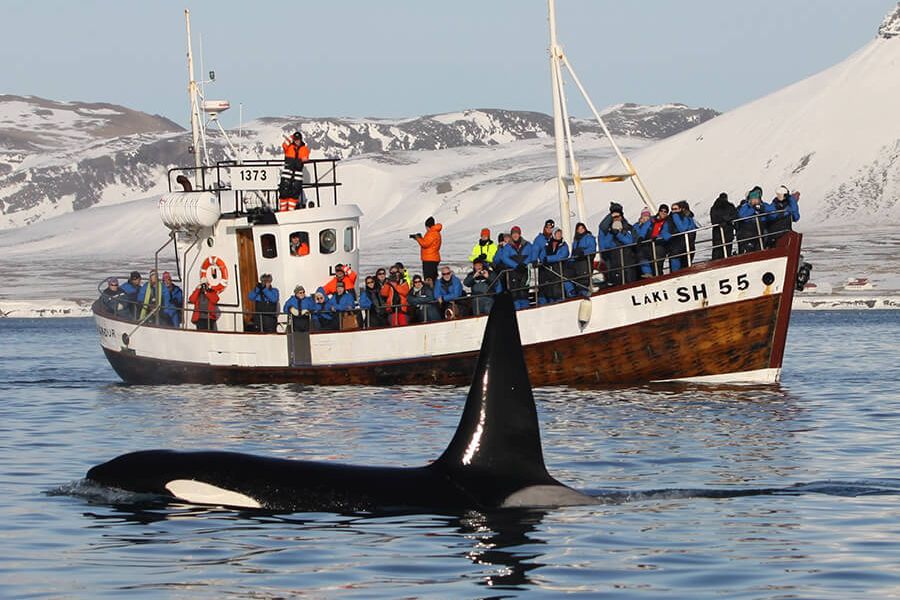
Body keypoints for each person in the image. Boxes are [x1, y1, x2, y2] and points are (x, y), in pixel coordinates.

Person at [598, 203, 636, 286]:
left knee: (629, 277)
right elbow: (605, 244)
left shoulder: (626, 229)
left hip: (627, 258)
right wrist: (612, 233)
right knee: (617, 278)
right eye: (614, 217)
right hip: (613, 259)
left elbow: (630, 241)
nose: (616, 219)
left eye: (618, 217)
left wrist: (619, 234)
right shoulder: (606, 230)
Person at [535, 228, 570, 303]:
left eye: (560, 233)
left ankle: (560, 300)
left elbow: (562, 255)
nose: (559, 235)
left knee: (558, 289)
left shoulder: (563, 245)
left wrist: (548, 259)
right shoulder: (548, 244)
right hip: (549, 271)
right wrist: (543, 259)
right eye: (557, 233)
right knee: (549, 289)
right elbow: (542, 254)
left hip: (559, 268)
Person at [736, 186, 773, 254]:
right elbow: (741, 215)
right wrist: (753, 209)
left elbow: (773, 213)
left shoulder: (764, 205)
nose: (755, 200)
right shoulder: (746, 206)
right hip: (748, 234)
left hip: (761, 233)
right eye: (753, 199)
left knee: (761, 249)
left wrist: (763, 208)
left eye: (756, 198)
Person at [279, 131, 310, 211]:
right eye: (295, 139)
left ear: (301, 139)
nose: (297, 141)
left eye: (298, 139)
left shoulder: (304, 149)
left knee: (294, 194)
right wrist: (291, 137)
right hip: (287, 173)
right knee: (284, 193)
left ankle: (291, 212)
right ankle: (283, 211)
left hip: (297, 174)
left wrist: (297, 162)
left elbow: (305, 158)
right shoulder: (289, 147)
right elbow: (284, 145)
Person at [667, 201, 699, 272]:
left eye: (675, 208)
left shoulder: (687, 217)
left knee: (685, 265)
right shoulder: (675, 216)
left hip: (686, 244)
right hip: (678, 245)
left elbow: (692, 228)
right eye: (672, 209)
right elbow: (682, 229)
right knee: (678, 267)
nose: (673, 211)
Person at [567, 222, 597, 295]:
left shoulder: (589, 237)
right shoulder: (576, 241)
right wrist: (570, 261)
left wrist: (583, 252)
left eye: (582, 228)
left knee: (584, 281)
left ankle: (585, 294)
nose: (580, 230)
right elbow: (573, 253)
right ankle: (574, 292)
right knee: (571, 277)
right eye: (579, 229)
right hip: (577, 264)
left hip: (585, 261)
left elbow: (592, 249)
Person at [412, 216, 442, 282]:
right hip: (433, 257)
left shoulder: (432, 233)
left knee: (429, 279)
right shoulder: (436, 232)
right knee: (433, 278)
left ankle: (430, 291)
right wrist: (421, 238)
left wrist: (418, 238)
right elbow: (428, 243)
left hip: (429, 259)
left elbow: (425, 244)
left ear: (428, 226)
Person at [710, 192, 738, 260]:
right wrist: (726, 220)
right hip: (728, 229)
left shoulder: (714, 207)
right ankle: (727, 259)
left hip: (717, 231)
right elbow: (735, 215)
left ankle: (715, 262)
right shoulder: (730, 206)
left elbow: (713, 220)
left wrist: (721, 221)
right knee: (727, 248)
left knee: (717, 249)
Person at [632, 208, 656, 278]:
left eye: (647, 216)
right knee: (642, 256)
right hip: (641, 245)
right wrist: (640, 226)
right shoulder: (636, 226)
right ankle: (647, 272)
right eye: (644, 216)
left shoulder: (652, 224)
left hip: (650, 244)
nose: (646, 218)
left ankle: (654, 272)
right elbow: (636, 236)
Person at [649, 204, 671, 276]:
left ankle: (659, 276)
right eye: (661, 211)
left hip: (661, 244)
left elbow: (667, 233)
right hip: (650, 244)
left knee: (658, 263)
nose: (663, 213)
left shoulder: (667, 221)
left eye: (665, 211)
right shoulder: (652, 220)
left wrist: (658, 237)